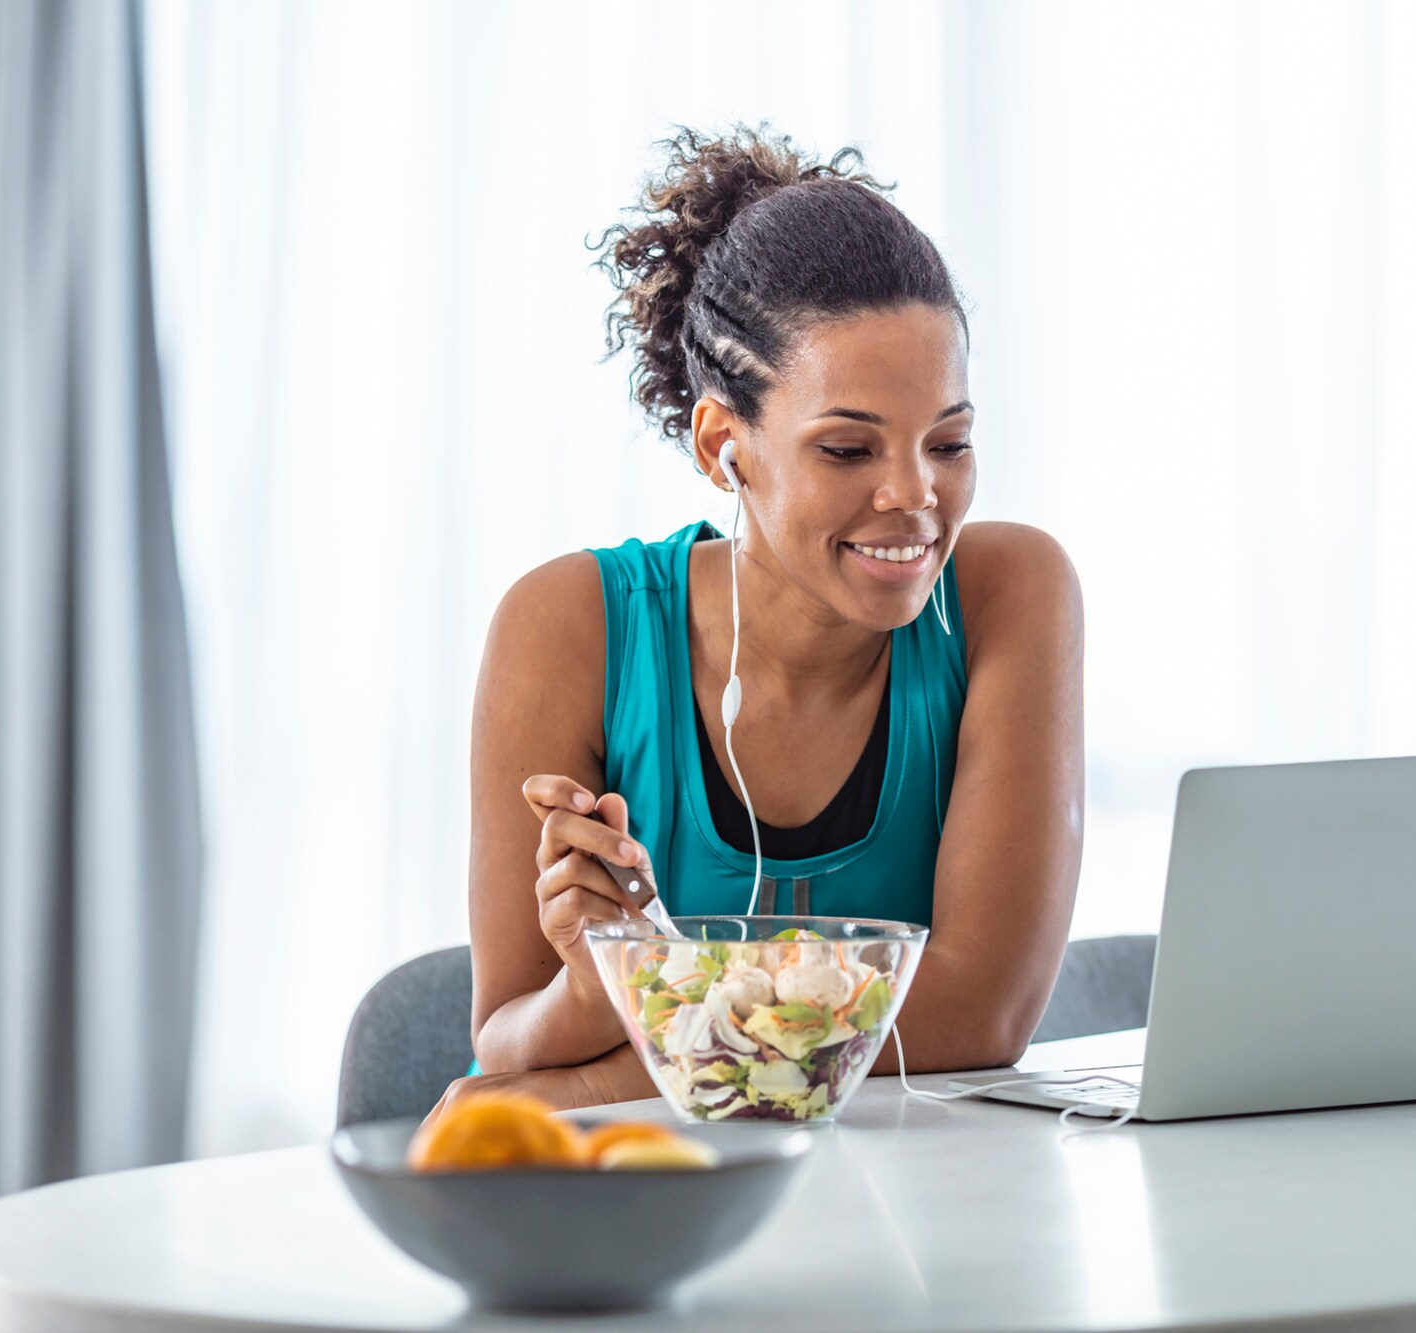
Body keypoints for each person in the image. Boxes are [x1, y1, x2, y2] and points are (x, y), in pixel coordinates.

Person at [430, 124, 1084, 1120]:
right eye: (846, 450)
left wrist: (602, 1078)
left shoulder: (1006, 594)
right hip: (649, 1220)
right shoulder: (565, 626)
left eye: (947, 442)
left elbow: (979, 1017)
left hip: (916, 1225)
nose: (914, 496)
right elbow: (506, 1037)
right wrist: (593, 975)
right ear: (723, 445)